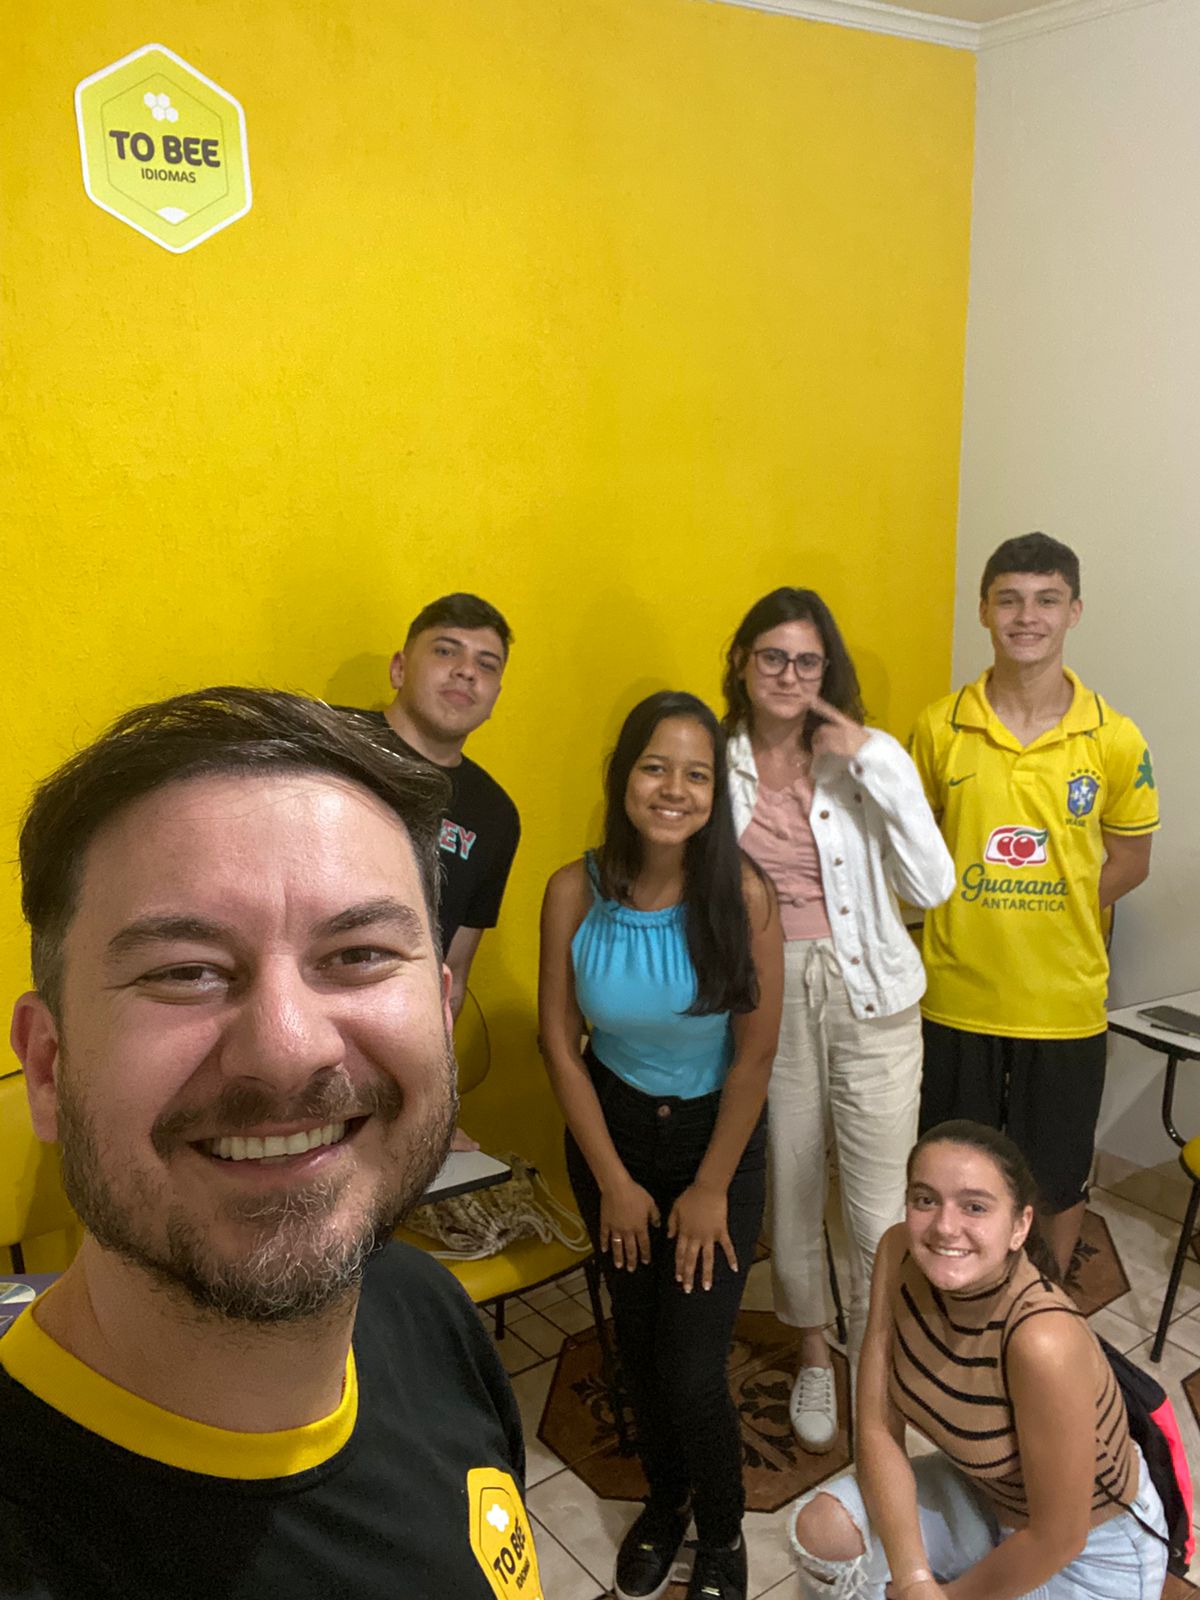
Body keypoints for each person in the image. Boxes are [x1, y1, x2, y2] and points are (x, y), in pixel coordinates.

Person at [2, 688, 540, 1600]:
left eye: (359, 955)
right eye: (186, 971)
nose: (289, 1049)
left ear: (442, 1017)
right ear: (49, 1068)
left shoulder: (424, 1308)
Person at [539, 691, 783, 1600]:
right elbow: (559, 1042)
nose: (674, 789)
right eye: (655, 767)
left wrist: (711, 1187)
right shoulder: (574, 890)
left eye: (697, 774)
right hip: (612, 1136)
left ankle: (722, 1529)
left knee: (690, 1367)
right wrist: (613, 1179)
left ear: (717, 793)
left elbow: (755, 1058)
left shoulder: (744, 897)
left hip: (717, 1142)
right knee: (637, 1352)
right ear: (623, 776)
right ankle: (665, 1500)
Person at [723, 588, 954, 1453]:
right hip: (769, 995)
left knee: (878, 1202)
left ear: (827, 671)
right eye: (773, 657)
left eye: (807, 661)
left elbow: (932, 886)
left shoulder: (867, 755)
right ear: (742, 663)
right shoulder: (715, 757)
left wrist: (875, 763)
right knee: (791, 1187)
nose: (789, 675)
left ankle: (879, 1360)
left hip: (873, 998)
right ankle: (817, 1355)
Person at [909, 533, 1159, 1276]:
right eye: (1010, 599)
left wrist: (1057, 906)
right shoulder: (938, 727)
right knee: (952, 1166)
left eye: (1047, 600)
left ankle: (1045, 1294)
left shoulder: (1115, 738)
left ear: (1073, 611)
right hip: (956, 997)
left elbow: (1131, 860)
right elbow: (911, 856)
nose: (1027, 617)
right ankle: (953, 1287)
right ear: (984, 609)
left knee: (1056, 1170)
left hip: (1064, 1003)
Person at [788, 1120, 1168, 1600]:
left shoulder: (1042, 1340)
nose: (945, 1227)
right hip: (984, 1497)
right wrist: (914, 1579)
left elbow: (1058, 1537)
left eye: (975, 1206)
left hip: (1090, 1558)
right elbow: (878, 1426)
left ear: (1020, 1225)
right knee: (824, 1526)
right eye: (925, 1199)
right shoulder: (897, 1251)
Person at [362, 591, 521, 1151]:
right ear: (399, 668)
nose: (466, 671)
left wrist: (433, 1106)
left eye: (487, 664)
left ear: (494, 697)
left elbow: (453, 971)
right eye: (447, 650)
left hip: (395, 1044)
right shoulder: (330, 746)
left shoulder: (494, 814)